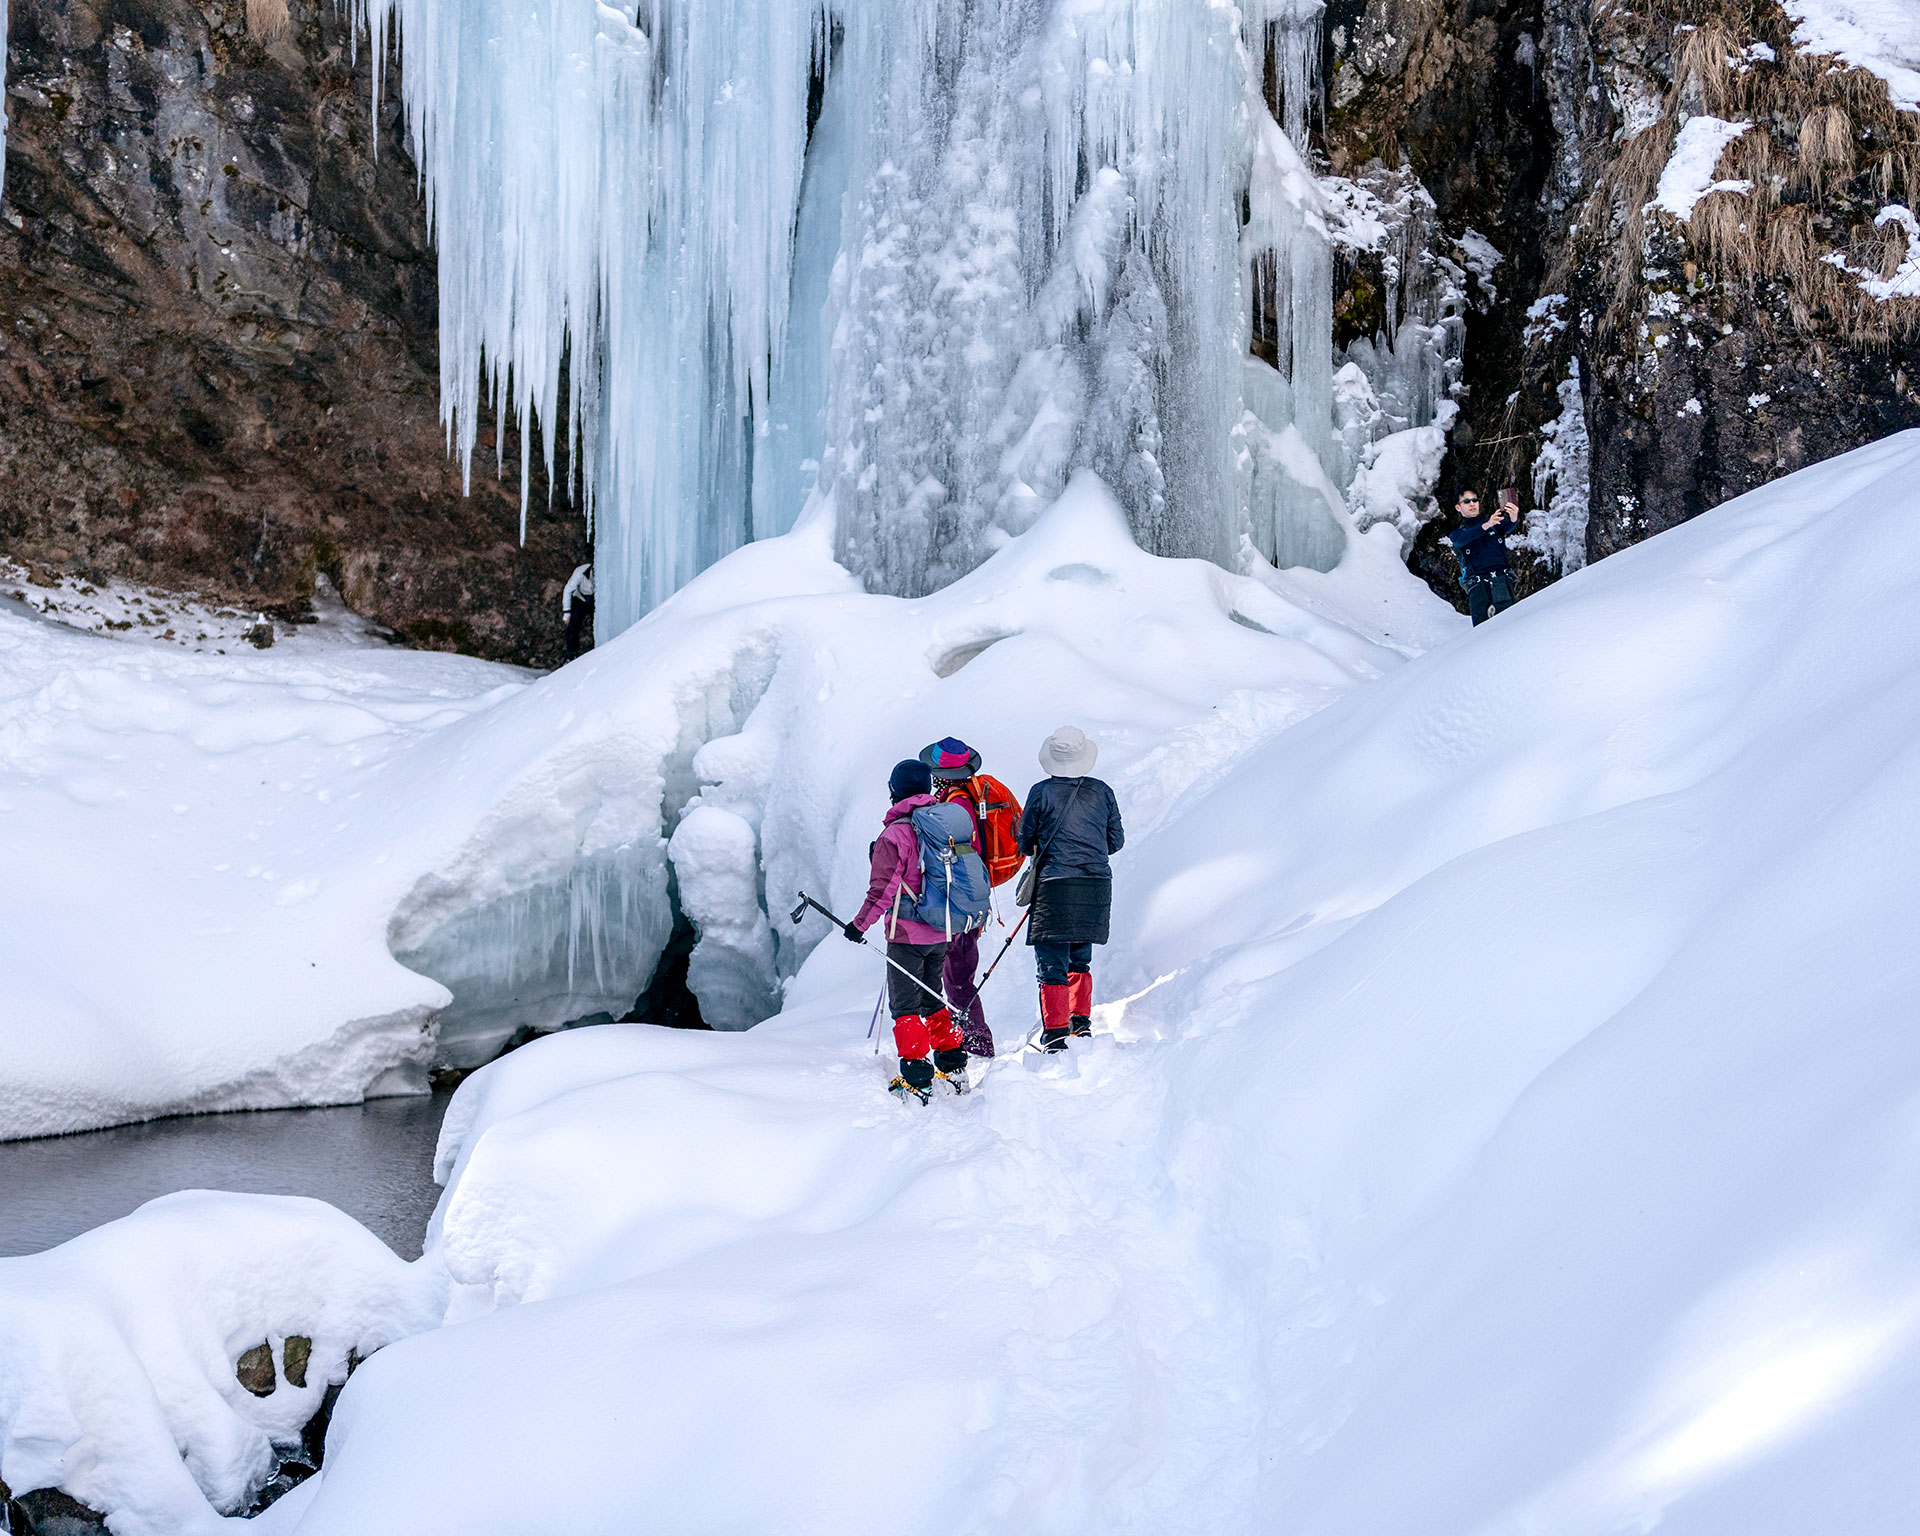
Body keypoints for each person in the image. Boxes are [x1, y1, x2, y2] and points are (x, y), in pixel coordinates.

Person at [844, 758, 971, 1101]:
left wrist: (859, 926)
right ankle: (953, 1066)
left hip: (907, 934)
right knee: (933, 999)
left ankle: (916, 1077)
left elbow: (882, 889)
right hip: (941, 930)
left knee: (905, 1006)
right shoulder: (942, 822)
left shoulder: (895, 834)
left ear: (894, 791)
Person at [1018, 726, 1124, 1052]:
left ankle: (1056, 1034)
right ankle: (1080, 1024)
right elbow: (1115, 841)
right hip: (1094, 886)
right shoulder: (1102, 791)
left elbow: (1025, 842)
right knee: (1080, 961)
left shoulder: (1040, 792)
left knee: (1052, 964)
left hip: (1055, 887)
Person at [920, 736, 996, 1058]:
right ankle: (970, 1038)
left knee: (958, 977)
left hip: (960, 902)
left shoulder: (956, 804)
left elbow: (964, 854)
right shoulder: (965, 798)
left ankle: (977, 1043)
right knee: (957, 974)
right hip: (969, 898)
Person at [1441, 489, 1516, 625]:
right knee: (1484, 633)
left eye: (1475, 500)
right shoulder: (1459, 533)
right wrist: (1487, 525)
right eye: (1467, 501)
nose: (1472, 504)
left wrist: (1514, 516)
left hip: (1502, 583)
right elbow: (1460, 540)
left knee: (1510, 626)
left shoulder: (1494, 525)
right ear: (1458, 507)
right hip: (1479, 587)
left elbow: (1509, 525)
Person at [562, 562, 596, 658]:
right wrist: (567, 612)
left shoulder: (605, 575)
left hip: (595, 600)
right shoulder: (580, 572)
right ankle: (572, 654)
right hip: (580, 599)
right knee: (573, 625)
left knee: (599, 624)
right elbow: (567, 590)